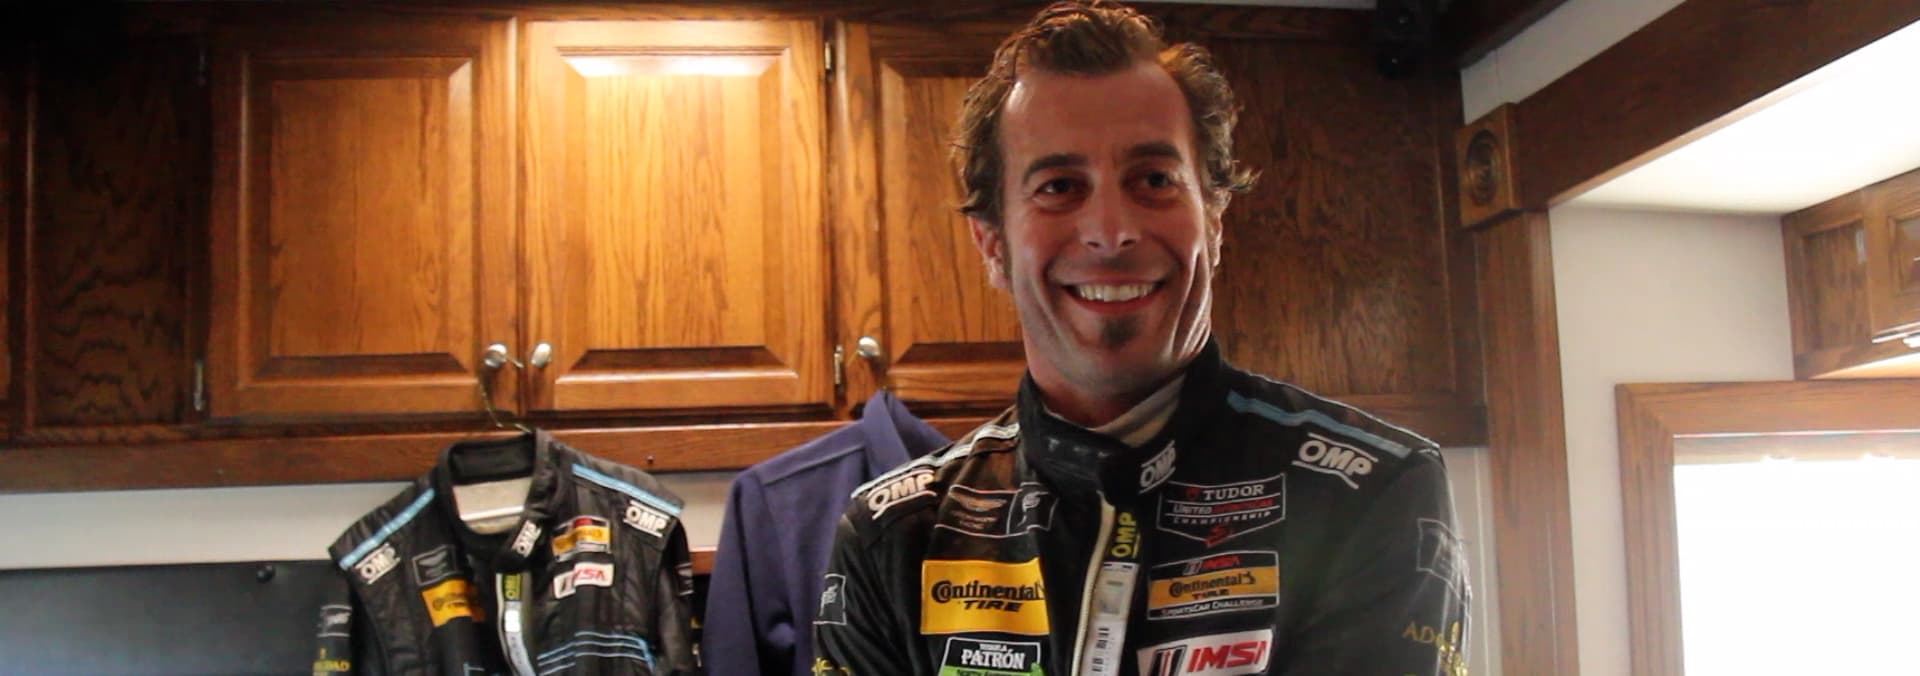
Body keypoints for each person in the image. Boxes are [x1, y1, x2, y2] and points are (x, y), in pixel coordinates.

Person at [811, 1, 1470, 675]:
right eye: (1059, 186)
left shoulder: (1371, 491)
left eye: (1154, 180)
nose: (1111, 230)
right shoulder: (896, 534)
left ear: (1214, 219)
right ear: (993, 245)